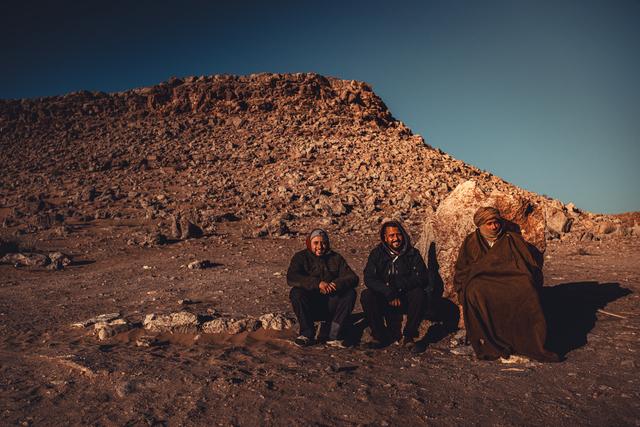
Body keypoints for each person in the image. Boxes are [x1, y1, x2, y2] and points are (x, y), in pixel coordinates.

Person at [453, 207, 559, 362]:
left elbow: (526, 263)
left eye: (496, 223)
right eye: (489, 224)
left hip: (510, 279)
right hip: (482, 282)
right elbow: (463, 268)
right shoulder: (471, 241)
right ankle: (488, 341)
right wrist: (473, 275)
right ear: (481, 225)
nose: (494, 227)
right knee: (474, 291)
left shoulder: (512, 239)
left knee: (526, 289)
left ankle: (527, 342)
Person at [361, 220, 430, 351]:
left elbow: (422, 278)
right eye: (391, 236)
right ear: (385, 238)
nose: (396, 238)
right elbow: (369, 278)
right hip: (385, 298)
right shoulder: (377, 254)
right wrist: (388, 291)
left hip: (404, 298)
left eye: (398, 234)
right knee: (367, 295)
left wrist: (397, 288)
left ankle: (409, 336)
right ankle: (379, 335)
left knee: (419, 294)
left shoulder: (412, 253)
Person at [287, 229, 358, 347]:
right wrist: (317, 283)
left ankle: (335, 334)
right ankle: (306, 334)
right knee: (296, 292)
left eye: (323, 243)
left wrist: (337, 284)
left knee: (350, 293)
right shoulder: (300, 257)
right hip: (310, 306)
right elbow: (292, 277)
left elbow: (352, 277)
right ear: (309, 243)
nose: (320, 247)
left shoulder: (336, 258)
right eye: (316, 243)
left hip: (331, 305)